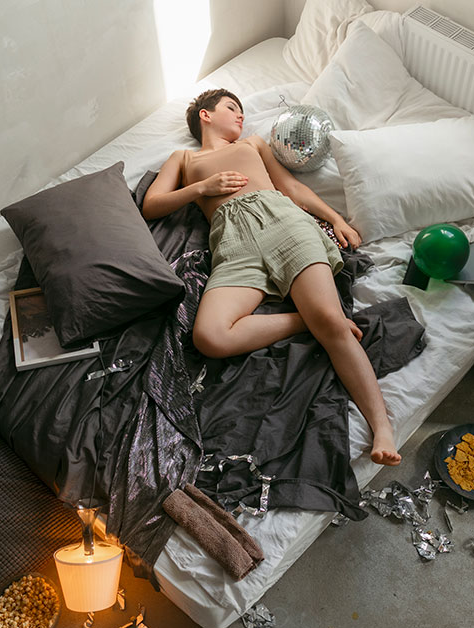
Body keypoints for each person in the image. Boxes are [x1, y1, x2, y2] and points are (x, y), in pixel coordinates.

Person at [141, 89, 401, 466]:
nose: (241, 116)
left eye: (243, 111)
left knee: (331, 325)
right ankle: (309, 320)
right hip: (231, 241)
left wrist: (335, 218)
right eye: (232, 108)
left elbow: (292, 188)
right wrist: (202, 188)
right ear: (205, 115)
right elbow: (152, 204)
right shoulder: (183, 158)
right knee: (210, 336)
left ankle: (382, 427)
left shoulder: (254, 143)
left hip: (283, 223)